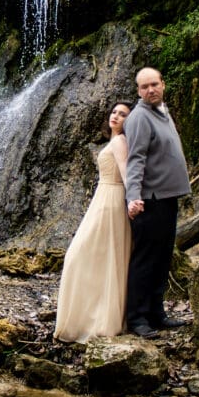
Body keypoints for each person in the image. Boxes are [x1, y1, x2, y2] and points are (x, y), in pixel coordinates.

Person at [54, 101, 133, 343]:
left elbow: (128, 173)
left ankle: (98, 320)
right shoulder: (114, 140)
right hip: (103, 197)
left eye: (123, 115)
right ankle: (92, 317)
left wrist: (134, 201)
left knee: (80, 255)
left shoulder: (120, 142)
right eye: (114, 112)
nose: (116, 116)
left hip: (112, 200)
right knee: (99, 257)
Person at [124, 67, 191, 338]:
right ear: (138, 91)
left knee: (162, 259)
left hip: (167, 198)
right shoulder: (140, 117)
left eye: (154, 84)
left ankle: (156, 313)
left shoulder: (162, 111)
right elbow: (135, 159)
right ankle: (137, 319)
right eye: (144, 87)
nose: (150, 90)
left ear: (163, 84)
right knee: (146, 261)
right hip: (149, 201)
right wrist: (133, 197)